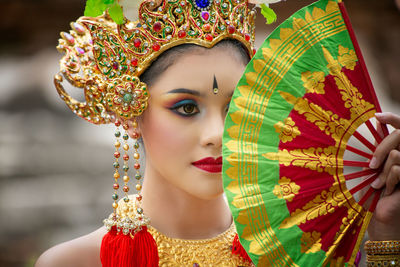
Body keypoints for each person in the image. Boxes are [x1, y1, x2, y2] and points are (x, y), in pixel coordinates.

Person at [36, 0, 400, 266]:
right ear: (129, 111)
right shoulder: (75, 262)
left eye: (234, 106)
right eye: (186, 108)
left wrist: (387, 236)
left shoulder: (297, 246)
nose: (217, 134)